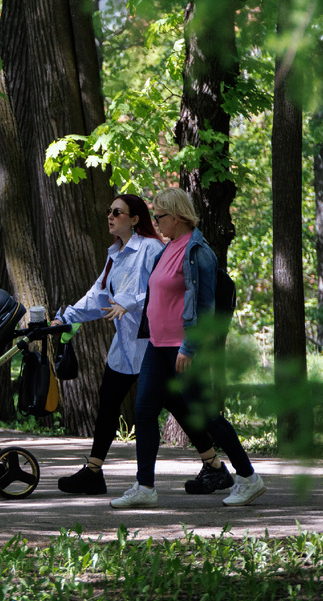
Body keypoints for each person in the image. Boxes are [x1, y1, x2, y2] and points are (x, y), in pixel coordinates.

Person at [111, 187, 266, 509]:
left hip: (183, 349)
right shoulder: (167, 249)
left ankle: (249, 478)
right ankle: (144, 486)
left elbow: (206, 306)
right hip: (156, 345)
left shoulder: (199, 253)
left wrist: (190, 347)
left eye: (159, 217)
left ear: (177, 216)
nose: (156, 222)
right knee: (144, 411)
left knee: (205, 417)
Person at [52, 193, 218, 495]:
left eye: (118, 212)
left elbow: (157, 291)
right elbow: (98, 296)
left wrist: (128, 303)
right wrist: (65, 318)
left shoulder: (152, 248)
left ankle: (213, 465)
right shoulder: (115, 254)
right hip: (124, 346)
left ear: (135, 218)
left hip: (152, 344)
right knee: (108, 402)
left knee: (175, 404)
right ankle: (93, 471)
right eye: (109, 211)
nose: (111, 216)